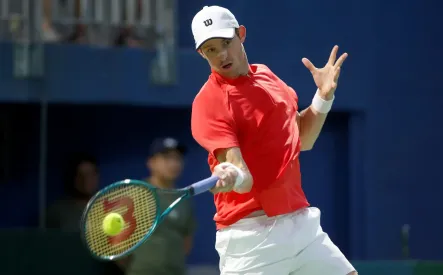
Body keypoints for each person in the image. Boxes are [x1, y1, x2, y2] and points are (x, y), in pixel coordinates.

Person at [190, 5, 356, 275]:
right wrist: (232, 174)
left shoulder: (267, 77)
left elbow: (301, 138)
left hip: (301, 225)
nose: (221, 55)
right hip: (251, 239)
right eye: (210, 49)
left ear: (240, 34)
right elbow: (243, 179)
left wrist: (323, 97)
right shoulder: (209, 102)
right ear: (201, 53)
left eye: (226, 43)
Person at [122, 137, 197, 275]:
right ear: (151, 163)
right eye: (167, 158)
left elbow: (187, 243)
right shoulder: (135, 194)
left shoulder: (185, 198)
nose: (173, 163)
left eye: (177, 158)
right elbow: (118, 241)